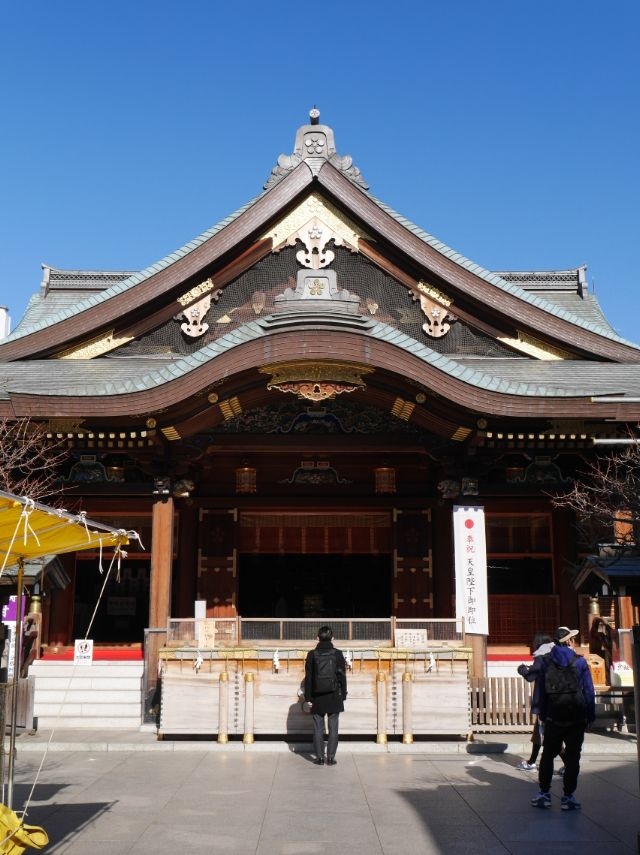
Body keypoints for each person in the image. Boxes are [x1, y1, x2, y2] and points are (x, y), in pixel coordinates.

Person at [518, 625, 595, 811]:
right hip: (576, 716)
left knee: (548, 756)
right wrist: (590, 715)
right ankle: (568, 797)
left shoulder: (546, 661)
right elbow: (588, 690)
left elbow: (541, 690)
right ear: (569, 641)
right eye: (572, 639)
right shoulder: (580, 662)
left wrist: (543, 715)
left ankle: (544, 794)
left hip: (553, 716)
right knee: (573, 756)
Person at [304, 625, 347, 766]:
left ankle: (319, 758)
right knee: (333, 727)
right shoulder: (338, 654)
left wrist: (308, 698)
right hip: (334, 695)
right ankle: (331, 758)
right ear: (332, 638)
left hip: (317, 696)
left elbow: (309, 678)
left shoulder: (311, 654)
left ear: (317, 638)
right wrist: (343, 694)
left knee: (318, 727)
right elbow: (342, 677)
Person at [516, 631, 554, 770]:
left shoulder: (541, 657)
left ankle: (568, 765)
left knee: (547, 735)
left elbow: (531, 676)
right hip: (556, 700)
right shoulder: (555, 655)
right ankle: (531, 761)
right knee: (539, 734)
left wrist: (522, 669)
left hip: (543, 702)